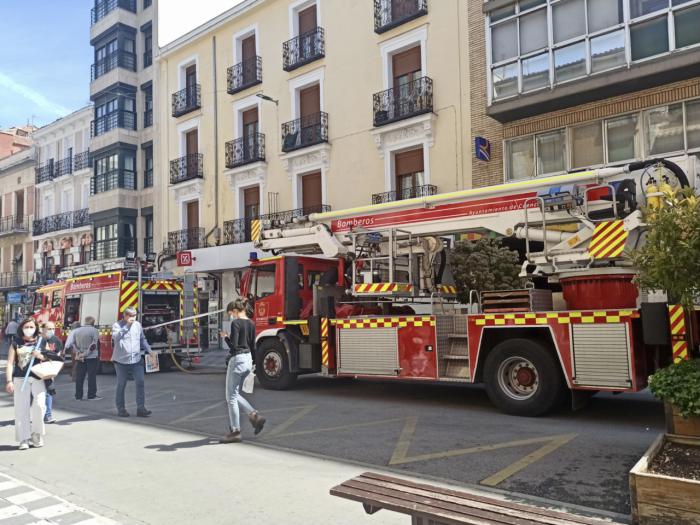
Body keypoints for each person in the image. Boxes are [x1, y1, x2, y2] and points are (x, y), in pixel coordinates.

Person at [5, 318, 62, 450]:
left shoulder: (41, 341)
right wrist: (9, 381)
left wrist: (40, 355)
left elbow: (51, 357)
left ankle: (37, 434)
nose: (29, 329)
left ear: (36, 328)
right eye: (27, 326)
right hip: (20, 378)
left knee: (39, 406)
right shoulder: (16, 343)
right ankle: (23, 438)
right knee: (21, 409)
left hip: (38, 377)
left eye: (32, 327)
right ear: (22, 328)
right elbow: (9, 363)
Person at [219, 299, 265, 443]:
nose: (231, 316)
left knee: (230, 398)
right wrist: (255, 364)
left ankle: (235, 431)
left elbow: (234, 346)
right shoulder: (251, 323)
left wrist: (225, 337)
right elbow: (253, 345)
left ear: (235, 311)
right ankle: (254, 416)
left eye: (230, 313)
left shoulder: (236, 323)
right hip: (247, 360)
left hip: (237, 360)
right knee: (234, 394)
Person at [112, 307, 153, 417]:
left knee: (140, 382)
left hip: (136, 360)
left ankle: (141, 408)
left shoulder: (138, 325)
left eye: (134, 315)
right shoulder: (117, 325)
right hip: (121, 361)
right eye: (130, 315)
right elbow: (116, 338)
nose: (132, 318)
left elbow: (142, 339)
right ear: (125, 315)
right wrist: (127, 326)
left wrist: (149, 350)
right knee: (121, 384)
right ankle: (121, 409)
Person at [65, 316, 101, 402]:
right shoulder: (94, 330)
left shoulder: (77, 330)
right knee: (91, 376)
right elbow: (93, 345)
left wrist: (79, 353)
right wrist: (86, 354)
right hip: (91, 357)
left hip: (79, 356)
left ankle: (78, 396)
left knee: (80, 377)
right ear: (93, 322)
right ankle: (91, 395)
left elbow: (72, 343)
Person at [39, 322, 64, 423]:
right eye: (49, 328)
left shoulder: (56, 340)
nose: (51, 330)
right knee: (36, 393)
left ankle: (48, 415)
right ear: (43, 329)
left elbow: (58, 355)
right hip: (37, 368)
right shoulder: (39, 339)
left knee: (48, 392)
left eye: (53, 328)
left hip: (48, 369)